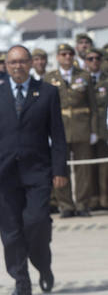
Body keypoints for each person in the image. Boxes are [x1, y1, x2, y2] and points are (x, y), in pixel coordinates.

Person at [0, 45, 68, 295]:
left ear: (30, 63)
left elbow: (58, 135)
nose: (17, 66)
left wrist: (59, 169)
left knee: (37, 222)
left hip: (38, 170)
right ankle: (21, 279)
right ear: (6, 65)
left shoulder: (48, 92)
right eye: (12, 62)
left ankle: (43, 264)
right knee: (11, 230)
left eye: (22, 61)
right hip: (6, 173)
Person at [42, 42, 97, 218]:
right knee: (60, 167)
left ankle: (82, 204)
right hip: (60, 128)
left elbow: (93, 105)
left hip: (81, 126)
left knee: (83, 170)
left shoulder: (85, 76)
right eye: (63, 54)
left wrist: (93, 130)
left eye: (70, 54)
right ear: (57, 57)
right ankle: (65, 205)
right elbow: (45, 108)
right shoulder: (50, 78)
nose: (67, 57)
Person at [84, 48, 108, 209]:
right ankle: (91, 200)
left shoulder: (106, 80)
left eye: (97, 58)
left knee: (104, 167)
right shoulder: (82, 80)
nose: (94, 61)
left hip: (103, 128)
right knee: (86, 166)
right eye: (90, 59)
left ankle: (104, 198)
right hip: (85, 129)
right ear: (86, 61)